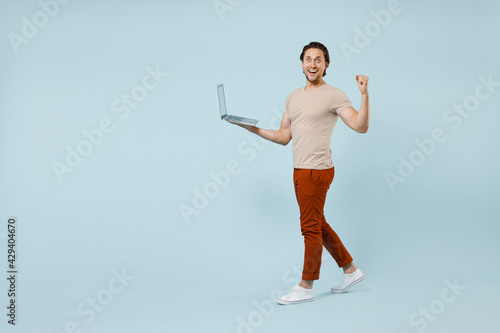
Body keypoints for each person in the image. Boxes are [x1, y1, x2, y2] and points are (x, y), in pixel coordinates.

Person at [231, 41, 370, 305]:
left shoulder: (334, 95)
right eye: (308, 59)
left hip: (316, 171)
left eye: (319, 60)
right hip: (299, 169)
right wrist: (251, 128)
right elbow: (284, 137)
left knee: (309, 228)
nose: (313, 64)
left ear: (326, 65)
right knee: (317, 222)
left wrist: (364, 94)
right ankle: (350, 270)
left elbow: (360, 126)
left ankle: (306, 286)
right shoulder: (293, 97)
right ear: (302, 63)